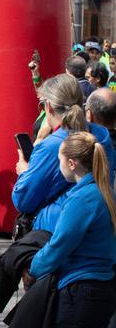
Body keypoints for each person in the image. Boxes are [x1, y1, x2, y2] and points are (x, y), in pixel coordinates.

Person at [26, 131, 116, 328]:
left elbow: (61, 244)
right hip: (104, 285)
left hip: (80, 288)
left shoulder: (83, 199)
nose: (60, 166)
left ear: (72, 163)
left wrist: (34, 267)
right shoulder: (106, 192)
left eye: (60, 160)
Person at [14, 74, 115, 232]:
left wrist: (24, 172)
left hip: (58, 228)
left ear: (48, 106)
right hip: (100, 222)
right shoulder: (102, 135)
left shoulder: (51, 146)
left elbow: (24, 200)